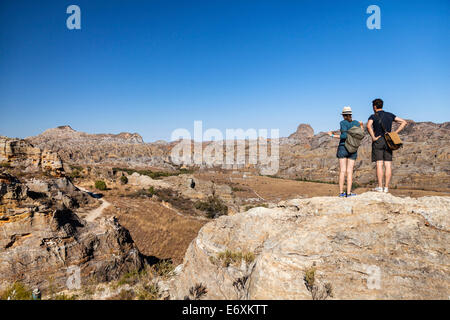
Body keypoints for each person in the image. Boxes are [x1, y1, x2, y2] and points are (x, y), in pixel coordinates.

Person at [367, 98, 407, 193]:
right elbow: (404, 122)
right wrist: (394, 133)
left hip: (378, 140)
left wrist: (373, 137)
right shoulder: (390, 115)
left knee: (379, 164)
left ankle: (380, 187)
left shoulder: (373, 116)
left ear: (374, 107)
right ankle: (386, 188)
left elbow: (368, 126)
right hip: (389, 141)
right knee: (388, 164)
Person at [328, 106, 364, 197]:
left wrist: (332, 135)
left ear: (343, 115)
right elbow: (361, 135)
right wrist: (362, 126)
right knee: (350, 171)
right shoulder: (356, 123)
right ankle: (348, 193)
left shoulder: (343, 122)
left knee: (342, 171)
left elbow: (344, 136)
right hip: (353, 148)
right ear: (351, 114)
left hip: (343, 147)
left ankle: (341, 193)